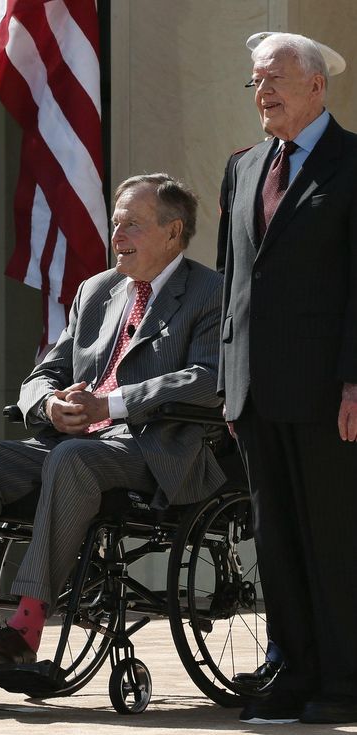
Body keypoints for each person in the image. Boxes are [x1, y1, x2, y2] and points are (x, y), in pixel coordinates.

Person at [0, 174, 224, 673]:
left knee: (72, 459)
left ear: (174, 232)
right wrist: (49, 404)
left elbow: (208, 379)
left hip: (152, 447)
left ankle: (22, 633)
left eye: (132, 225)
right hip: (75, 440)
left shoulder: (209, 292)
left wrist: (109, 405)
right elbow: (45, 371)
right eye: (116, 224)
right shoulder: (97, 290)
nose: (118, 236)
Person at [220, 32, 357, 726]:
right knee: (274, 540)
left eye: (275, 79)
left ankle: (342, 676)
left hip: (327, 392)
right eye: (255, 81)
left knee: (332, 536)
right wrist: (226, 378)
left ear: (316, 86)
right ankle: (293, 669)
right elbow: (234, 284)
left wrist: (354, 381)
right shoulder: (243, 167)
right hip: (254, 391)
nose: (262, 92)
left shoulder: (353, 162)